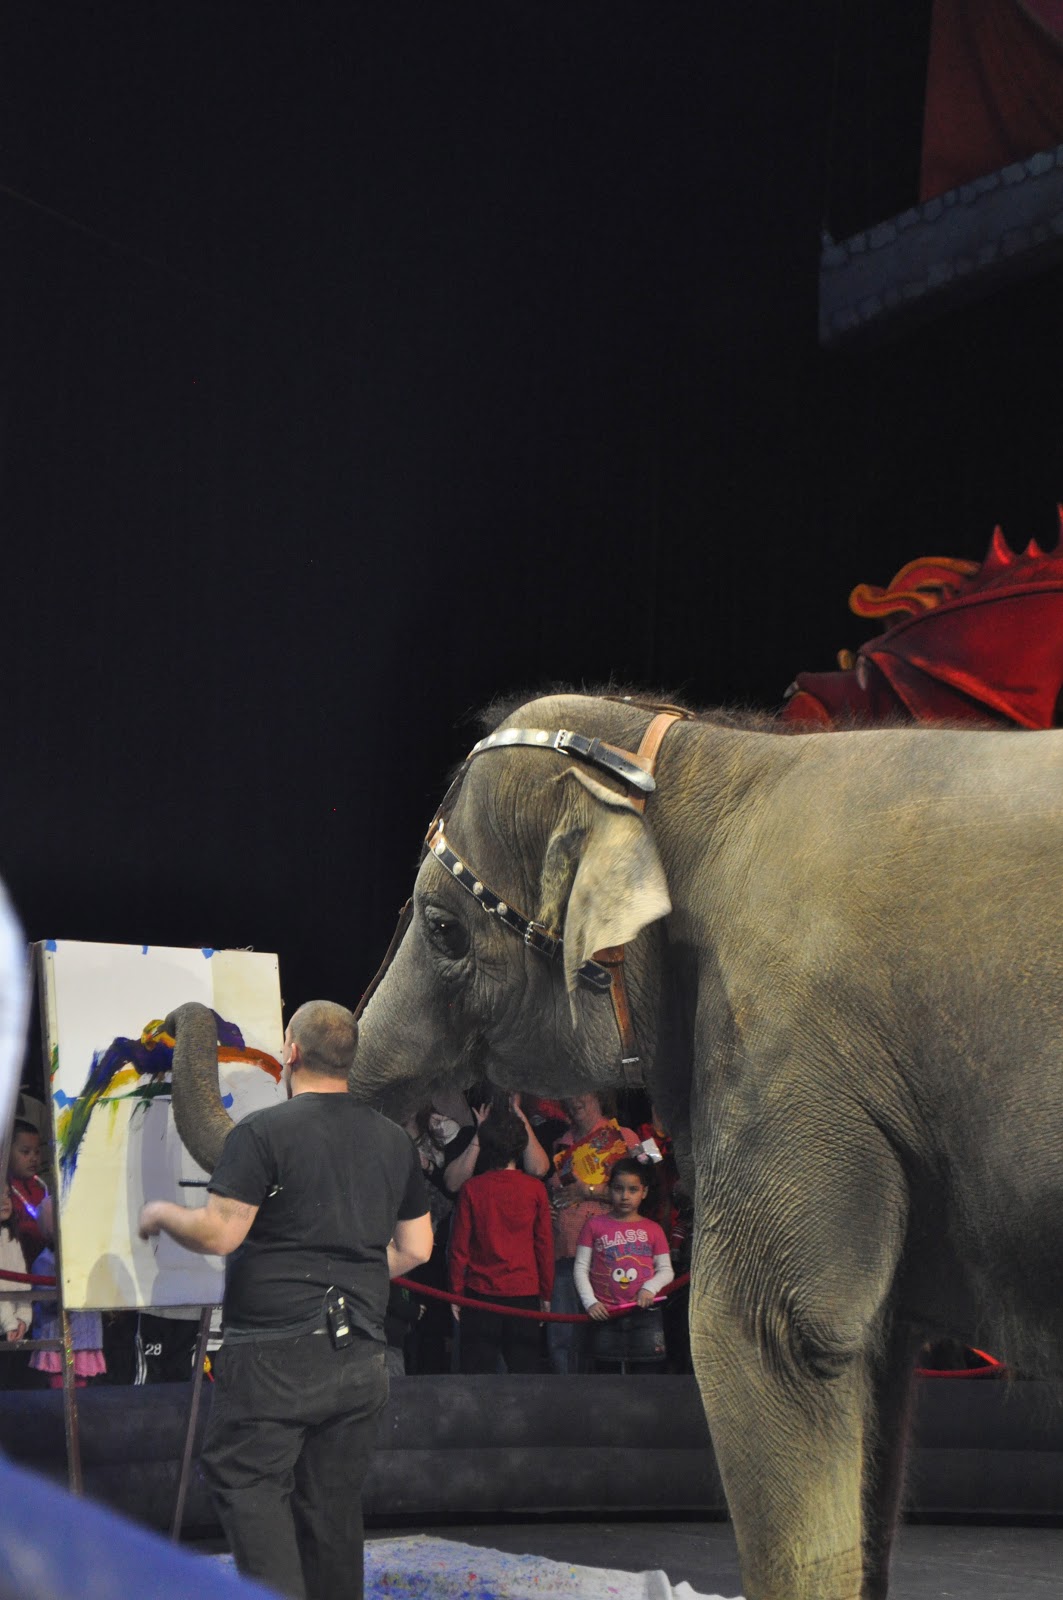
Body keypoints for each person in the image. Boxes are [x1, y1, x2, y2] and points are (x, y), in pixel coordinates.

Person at [138, 1000, 432, 1600]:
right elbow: (418, 1248)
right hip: (361, 1353)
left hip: (274, 1355)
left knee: (247, 1479)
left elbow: (222, 1233)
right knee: (331, 1504)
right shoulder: (392, 1140)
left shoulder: (261, 1133)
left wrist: (163, 1213)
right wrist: (353, 1273)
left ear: (291, 1051)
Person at [447, 1107, 553, 1374]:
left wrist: (456, 1292)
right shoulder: (536, 1189)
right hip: (524, 1291)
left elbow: (459, 1248)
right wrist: (546, 1292)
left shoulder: (472, 1188)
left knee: (477, 1379)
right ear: (521, 1146)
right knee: (524, 1377)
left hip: (480, 1293)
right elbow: (543, 1246)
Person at [546, 1092, 639, 1374]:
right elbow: (555, 1191)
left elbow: (644, 1189)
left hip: (609, 1254)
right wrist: (549, 1208)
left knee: (606, 1335)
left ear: (599, 1094)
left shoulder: (626, 1137)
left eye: (581, 1090)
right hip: (565, 1250)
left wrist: (588, 1191)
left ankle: (608, 1396)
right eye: (568, 1092)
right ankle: (567, 1395)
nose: (574, 1099)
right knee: (563, 1335)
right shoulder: (560, 1143)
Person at [573, 1157, 674, 1371]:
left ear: (644, 1192)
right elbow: (581, 1268)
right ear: (609, 1190)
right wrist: (590, 1303)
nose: (625, 1196)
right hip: (604, 1313)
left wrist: (649, 1288)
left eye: (633, 1190)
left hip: (645, 1314)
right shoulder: (593, 1225)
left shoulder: (654, 1229)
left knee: (647, 1375)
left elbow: (666, 1270)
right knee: (605, 1376)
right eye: (618, 1189)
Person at [442, 1089, 550, 1194]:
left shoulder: (529, 1134)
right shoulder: (468, 1134)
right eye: (499, 1094)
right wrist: (481, 1132)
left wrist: (518, 1115)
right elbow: (453, 1185)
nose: (505, 1100)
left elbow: (538, 1171)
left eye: (511, 1094)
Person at [8, 1121, 49, 1271]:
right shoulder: (5, 1192)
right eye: (26, 1152)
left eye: (37, 1152)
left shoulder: (42, 1187)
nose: (33, 1158)